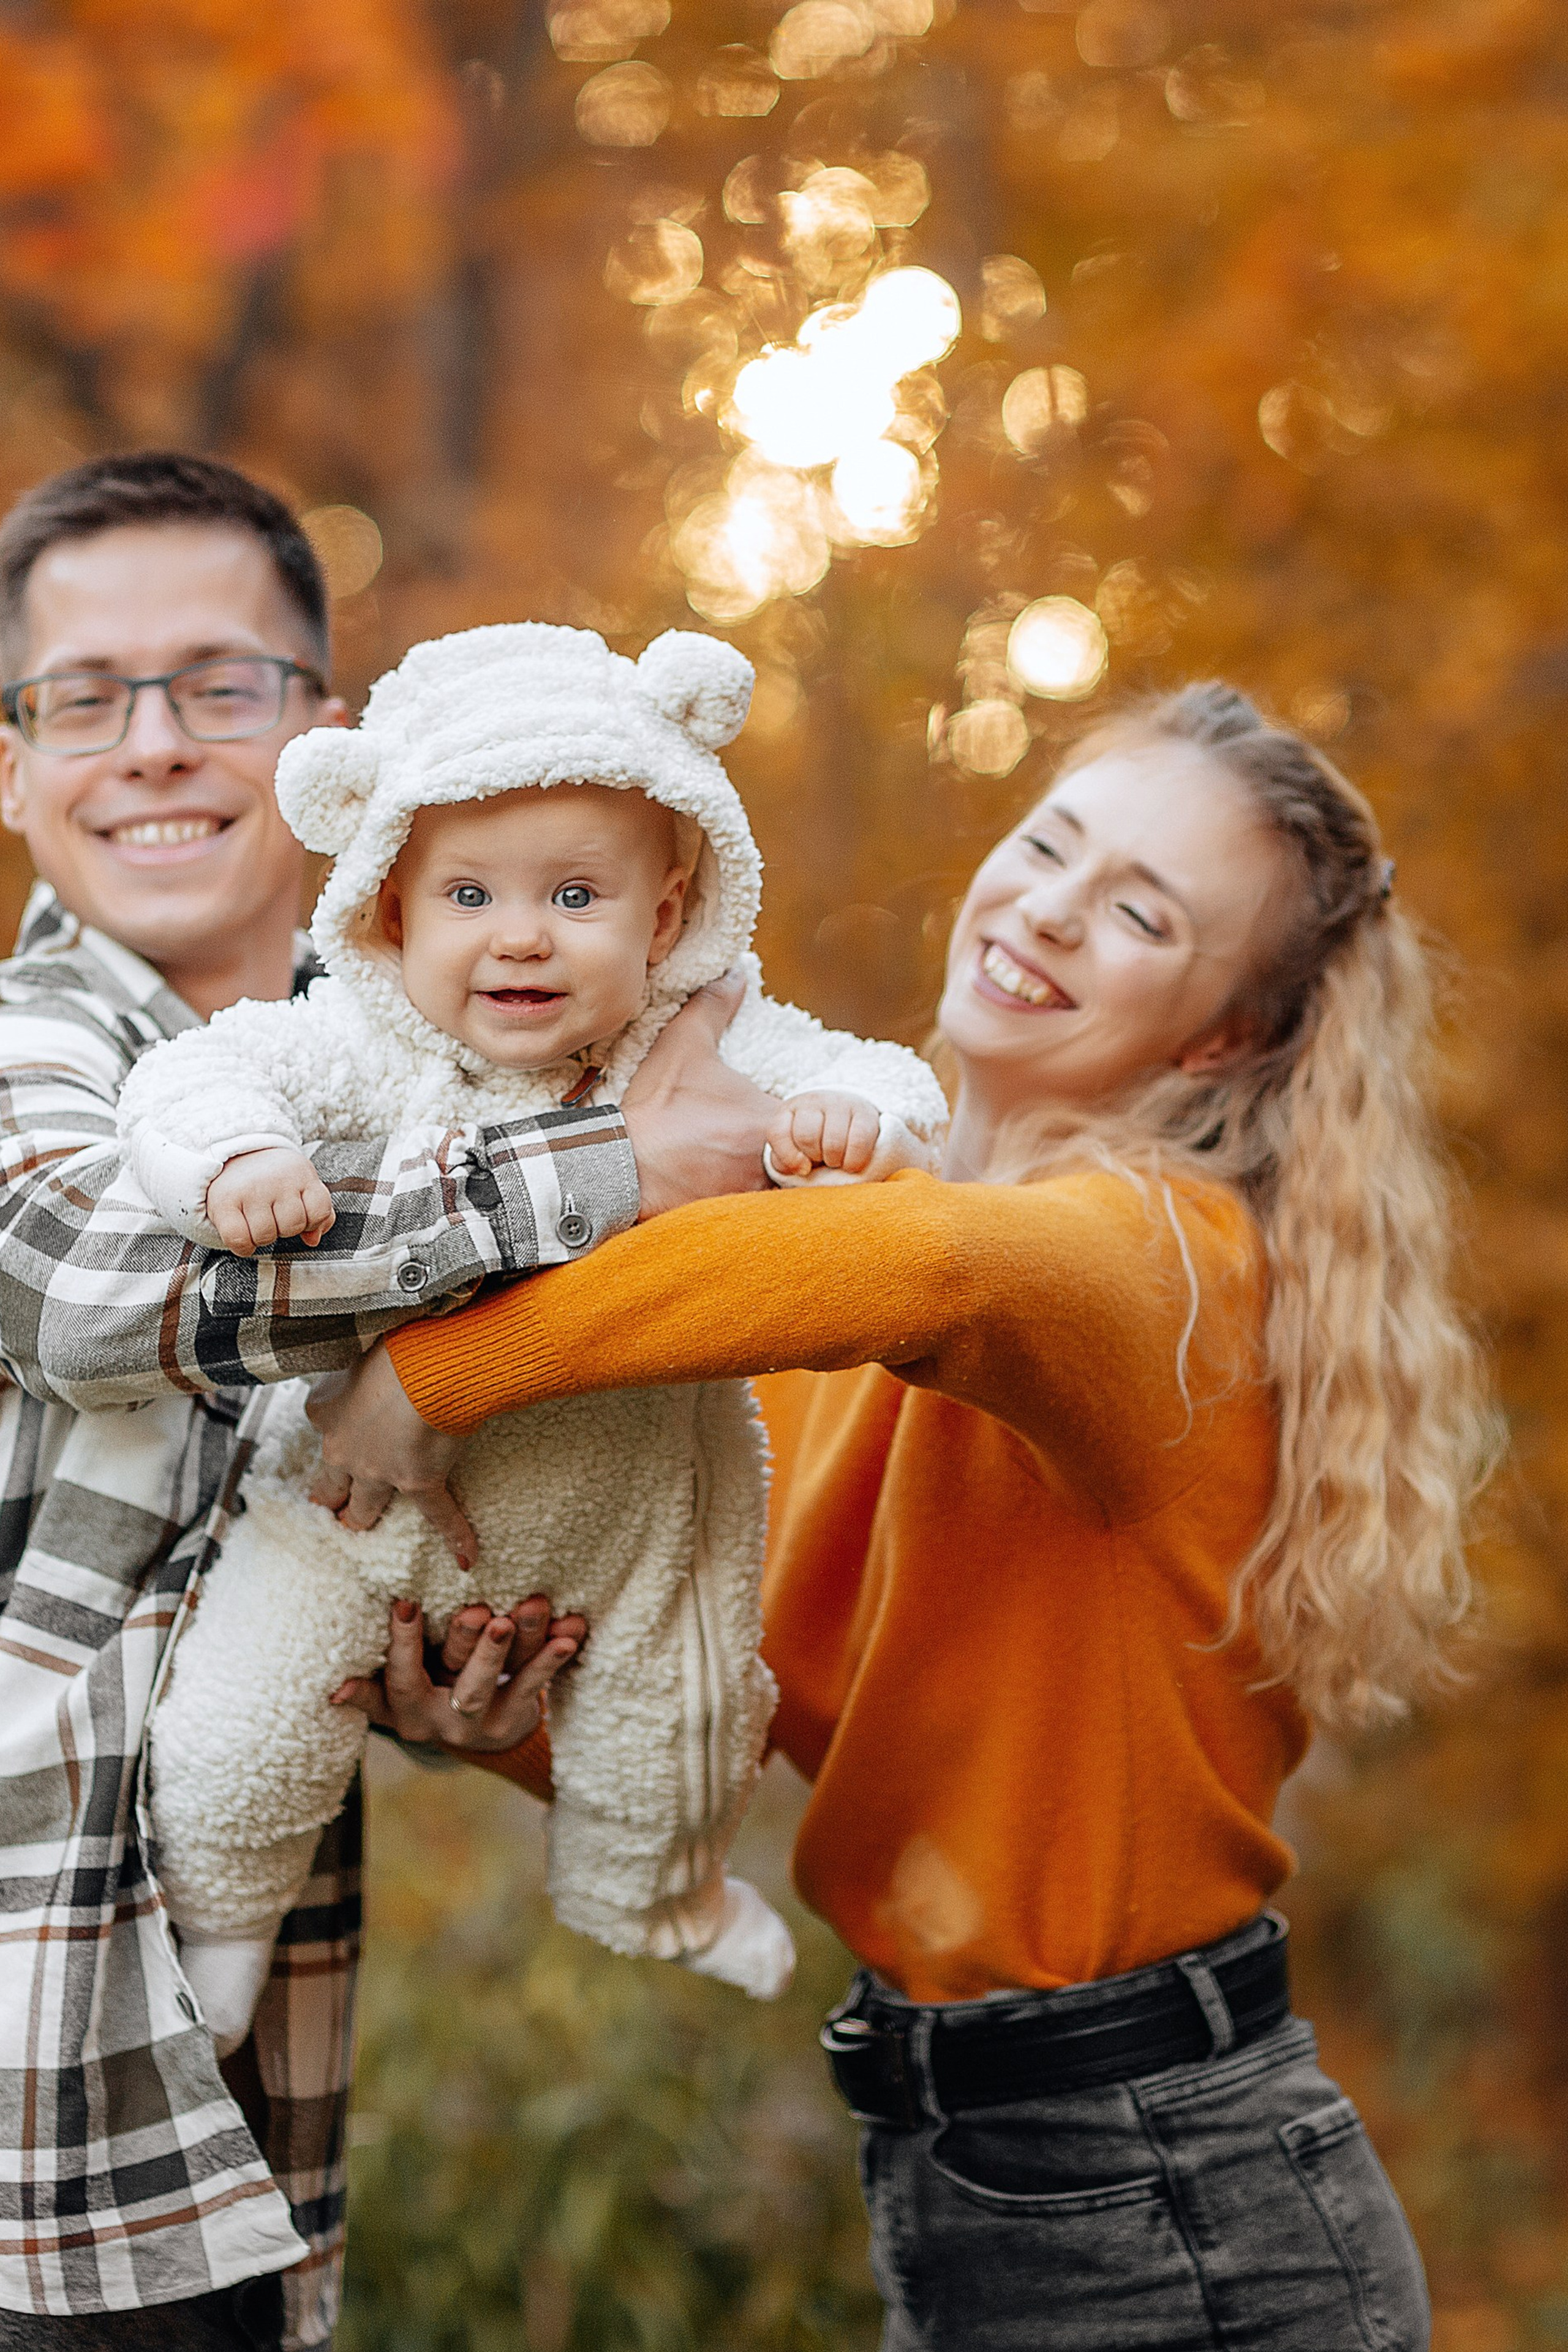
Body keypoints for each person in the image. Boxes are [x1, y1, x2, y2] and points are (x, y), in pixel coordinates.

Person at [312, 685, 1496, 2349]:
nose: (1052, 910)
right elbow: (754, 1735)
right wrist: (486, 1722)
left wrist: (430, 1377)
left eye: (1143, 913)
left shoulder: (1164, 1263)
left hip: (1171, 2189)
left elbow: (934, 1266)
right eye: (1050, 846)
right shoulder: (837, 1297)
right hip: (969, 2161)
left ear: (1223, 1033)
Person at [0, 453, 782, 2352]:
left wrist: (440, 1667)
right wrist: (612, 1173)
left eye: (224, 685)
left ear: (324, 749)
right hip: (28, 2053)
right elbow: (84, 1290)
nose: (157, 746)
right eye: (85, 697)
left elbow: (419, 1469)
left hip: (230, 2091)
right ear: (16, 763)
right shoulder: (43, 1041)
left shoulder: (416, 1079)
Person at [116, 617, 944, 2049]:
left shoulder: (704, 1045)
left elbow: (882, 1087)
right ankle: (224, 1928)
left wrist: (852, 1125)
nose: (521, 934)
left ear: (667, 917)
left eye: (576, 893)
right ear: (388, 912)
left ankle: (657, 1899)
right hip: (346, 1507)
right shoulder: (360, 1049)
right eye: (471, 894)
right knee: (239, 1731)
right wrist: (234, 1160)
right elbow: (196, 1080)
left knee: (681, 1725)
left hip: (629, 1513)